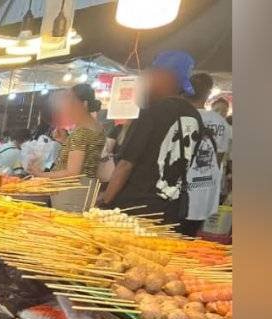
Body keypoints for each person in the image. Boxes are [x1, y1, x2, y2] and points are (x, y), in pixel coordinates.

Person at [100, 51, 203, 224]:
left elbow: (125, 164)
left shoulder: (152, 113)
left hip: (134, 208)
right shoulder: (195, 117)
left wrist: (105, 202)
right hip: (170, 210)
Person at [32, 83, 107, 211]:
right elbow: (85, 155)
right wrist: (65, 141)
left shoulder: (81, 132)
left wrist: (41, 175)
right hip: (85, 188)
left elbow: (73, 172)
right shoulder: (97, 127)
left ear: (83, 105)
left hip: (71, 192)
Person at [182, 73, 224, 237]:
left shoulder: (178, 116)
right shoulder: (221, 123)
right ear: (208, 94)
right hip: (204, 194)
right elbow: (218, 161)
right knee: (189, 239)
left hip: (176, 194)